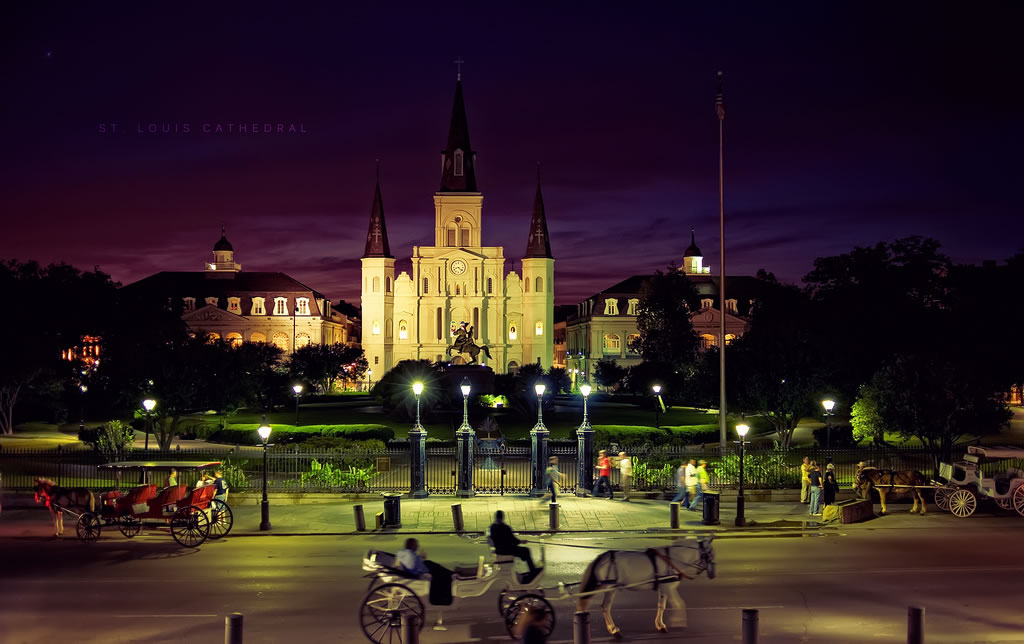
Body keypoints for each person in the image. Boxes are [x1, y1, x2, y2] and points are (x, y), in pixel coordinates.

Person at [396, 537, 454, 605]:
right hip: (422, 570)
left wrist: (420, 559)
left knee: (437, 568)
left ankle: (450, 574)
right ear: (411, 545)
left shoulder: (405, 553)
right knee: (440, 573)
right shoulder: (408, 554)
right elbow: (411, 567)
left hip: (424, 567)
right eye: (416, 544)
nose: (417, 546)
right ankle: (441, 597)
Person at [489, 510, 541, 582]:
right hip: (507, 549)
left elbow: (492, 539)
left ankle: (530, 569)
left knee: (522, 551)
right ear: (502, 517)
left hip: (498, 550)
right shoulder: (505, 527)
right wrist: (521, 541)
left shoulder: (492, 527)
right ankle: (532, 571)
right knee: (526, 550)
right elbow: (513, 540)